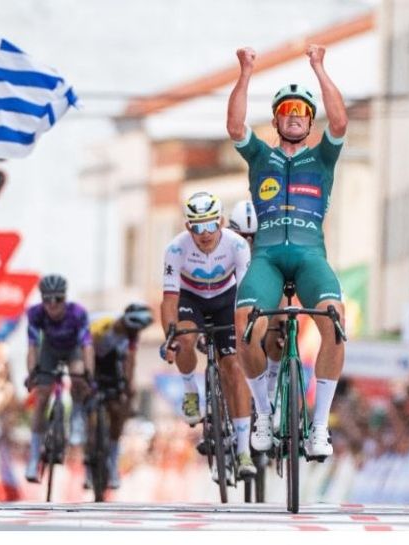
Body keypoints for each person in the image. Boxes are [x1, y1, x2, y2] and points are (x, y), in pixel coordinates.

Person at [227, 44, 348, 458]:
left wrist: (320, 68)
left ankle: (319, 427)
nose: (294, 116)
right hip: (268, 259)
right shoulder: (261, 156)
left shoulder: (323, 158)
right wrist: (245, 72)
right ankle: (264, 412)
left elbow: (340, 121)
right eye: (286, 111)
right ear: (276, 120)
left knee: (335, 321)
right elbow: (235, 125)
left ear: (310, 121)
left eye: (301, 112)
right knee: (245, 324)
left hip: (310, 257)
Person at [159, 191, 256, 477]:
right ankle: (191, 391)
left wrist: (246, 332)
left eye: (211, 224)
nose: (205, 233)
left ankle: (243, 451)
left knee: (234, 368)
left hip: (228, 300)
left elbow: (246, 294)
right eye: (198, 227)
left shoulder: (237, 245)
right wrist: (170, 338)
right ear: (188, 227)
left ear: (221, 222)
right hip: (191, 300)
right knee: (184, 339)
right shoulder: (175, 249)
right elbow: (169, 301)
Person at [24, 274, 94, 482]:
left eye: (58, 299)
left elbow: (87, 346)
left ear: (65, 298)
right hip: (50, 350)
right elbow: (33, 346)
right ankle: (34, 456)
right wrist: (32, 373)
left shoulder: (78, 313)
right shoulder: (35, 313)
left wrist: (88, 374)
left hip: (73, 349)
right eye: (47, 299)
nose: (53, 304)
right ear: (42, 300)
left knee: (79, 375)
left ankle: (76, 415)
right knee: (41, 397)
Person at [86, 303, 154, 489]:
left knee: (118, 407)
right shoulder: (103, 323)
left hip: (112, 363)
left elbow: (130, 361)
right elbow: (86, 349)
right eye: (127, 328)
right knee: (89, 414)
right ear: (122, 321)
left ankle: (113, 461)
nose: (129, 333)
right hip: (90, 357)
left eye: (134, 331)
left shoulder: (132, 334)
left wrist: (129, 387)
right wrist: (88, 379)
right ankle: (88, 466)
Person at [228, 199, 284, 400]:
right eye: (243, 237)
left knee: (279, 327)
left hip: (264, 311)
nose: (249, 243)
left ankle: (272, 385)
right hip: (233, 312)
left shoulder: (273, 253)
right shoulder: (225, 252)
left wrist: (282, 323)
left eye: (255, 237)